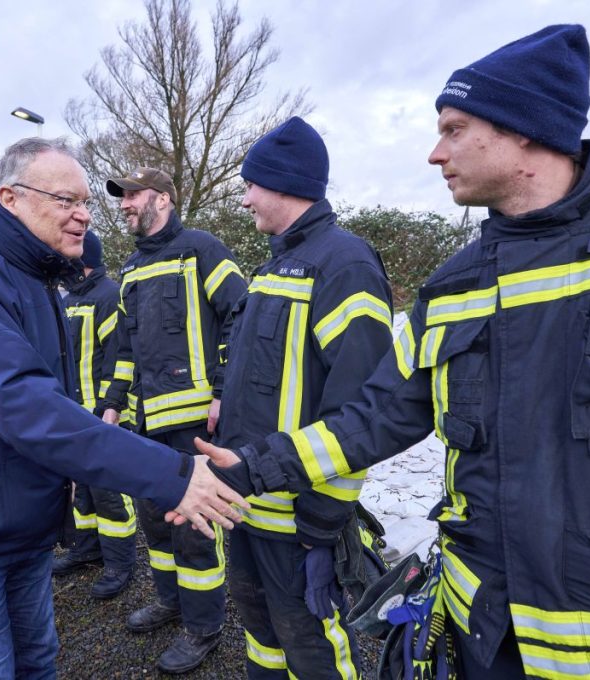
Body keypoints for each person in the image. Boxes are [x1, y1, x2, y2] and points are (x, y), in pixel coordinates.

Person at [198, 24, 590, 679]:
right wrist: (251, 466)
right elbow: (380, 413)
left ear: (525, 131)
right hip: (484, 633)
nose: (435, 153)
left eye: (454, 129)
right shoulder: (455, 282)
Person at [0, 137, 246, 678]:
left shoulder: (38, 279)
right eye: (66, 201)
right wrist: (168, 474)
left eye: (86, 203)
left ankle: (195, 618)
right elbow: (27, 407)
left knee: (37, 662)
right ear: (10, 199)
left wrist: (217, 391)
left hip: (18, 525)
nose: (85, 216)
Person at [215, 116, 394, 679]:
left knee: (314, 649)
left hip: (297, 519)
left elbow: (362, 410)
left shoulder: (345, 266)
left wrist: (322, 522)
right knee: (264, 638)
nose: (244, 200)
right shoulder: (276, 264)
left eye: (250, 185)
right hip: (248, 507)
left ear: (284, 183)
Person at [98, 166, 248, 673]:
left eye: (132, 195)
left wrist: (225, 391)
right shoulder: (131, 271)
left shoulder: (203, 249)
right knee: (156, 525)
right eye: (121, 197)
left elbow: (241, 315)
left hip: (195, 429)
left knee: (195, 529)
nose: (124, 204)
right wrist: (114, 401)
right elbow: (124, 347)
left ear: (162, 199)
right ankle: (170, 600)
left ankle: (204, 626)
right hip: (147, 424)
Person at [52, 230, 139, 599]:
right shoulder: (67, 299)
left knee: (110, 493)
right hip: (75, 415)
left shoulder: (108, 296)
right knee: (82, 491)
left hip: (104, 415)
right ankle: (87, 548)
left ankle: (121, 563)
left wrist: (111, 406)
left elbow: (122, 358)